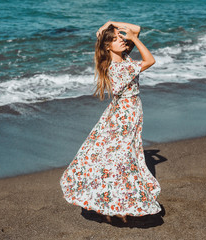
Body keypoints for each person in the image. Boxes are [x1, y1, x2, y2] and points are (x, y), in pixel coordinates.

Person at [60, 21, 161, 223]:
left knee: (118, 156)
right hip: (125, 115)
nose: (122, 40)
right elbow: (150, 60)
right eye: (115, 39)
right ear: (108, 46)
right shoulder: (118, 68)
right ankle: (115, 203)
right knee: (121, 159)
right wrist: (133, 39)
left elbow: (137, 28)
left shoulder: (123, 58)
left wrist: (111, 24)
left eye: (121, 37)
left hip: (124, 112)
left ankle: (114, 202)